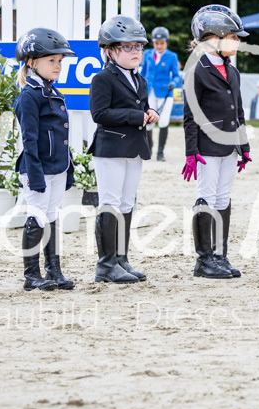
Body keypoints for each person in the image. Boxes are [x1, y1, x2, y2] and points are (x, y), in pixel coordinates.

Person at [182, 5, 251, 280]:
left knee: (223, 198)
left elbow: (239, 111)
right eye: (233, 37)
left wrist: (244, 147)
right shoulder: (196, 70)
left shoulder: (232, 71)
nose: (237, 42)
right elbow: (190, 116)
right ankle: (204, 259)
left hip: (229, 145)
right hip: (207, 146)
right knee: (207, 197)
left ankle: (221, 255)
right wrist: (190, 152)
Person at [89, 15, 156, 284]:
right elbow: (100, 113)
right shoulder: (102, 78)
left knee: (127, 204)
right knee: (111, 203)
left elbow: (141, 107)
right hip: (110, 148)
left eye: (138, 47)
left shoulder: (140, 80)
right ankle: (105, 264)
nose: (135, 52)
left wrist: (149, 112)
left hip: (134, 147)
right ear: (109, 51)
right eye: (127, 47)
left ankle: (120, 258)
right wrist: (134, 115)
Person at [14, 28, 77, 291]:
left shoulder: (53, 92)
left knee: (51, 216)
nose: (58, 66)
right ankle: (31, 275)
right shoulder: (29, 96)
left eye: (60, 61)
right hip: (36, 169)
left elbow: (62, 136)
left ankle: (54, 270)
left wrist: (69, 167)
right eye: (51, 61)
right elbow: (29, 139)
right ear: (32, 62)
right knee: (37, 216)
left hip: (56, 167)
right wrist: (36, 174)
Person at [142, 26, 182, 161]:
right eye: (156, 43)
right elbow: (143, 73)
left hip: (166, 92)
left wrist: (173, 83)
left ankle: (160, 152)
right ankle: (149, 147)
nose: (159, 46)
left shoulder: (172, 56)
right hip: (149, 92)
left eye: (162, 43)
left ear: (166, 43)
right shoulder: (147, 54)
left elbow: (176, 75)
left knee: (163, 121)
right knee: (149, 121)